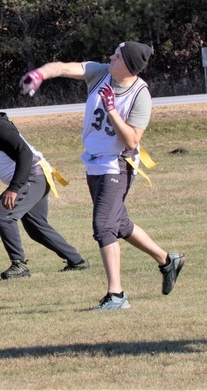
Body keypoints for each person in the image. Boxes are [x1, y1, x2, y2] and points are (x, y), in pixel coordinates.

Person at [19, 42, 185, 310]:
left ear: (129, 65)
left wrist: (111, 110)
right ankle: (167, 260)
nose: (110, 57)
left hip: (116, 165)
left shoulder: (140, 94)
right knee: (119, 224)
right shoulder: (100, 73)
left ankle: (116, 296)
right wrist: (40, 74)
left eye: (117, 56)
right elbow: (62, 67)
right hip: (94, 163)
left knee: (103, 227)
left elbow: (131, 141)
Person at [0, 91, 89, 279]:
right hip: (29, 177)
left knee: (1, 213)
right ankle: (77, 261)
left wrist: (14, 188)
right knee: (36, 229)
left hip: (34, 175)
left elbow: (24, 154)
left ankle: (19, 264)